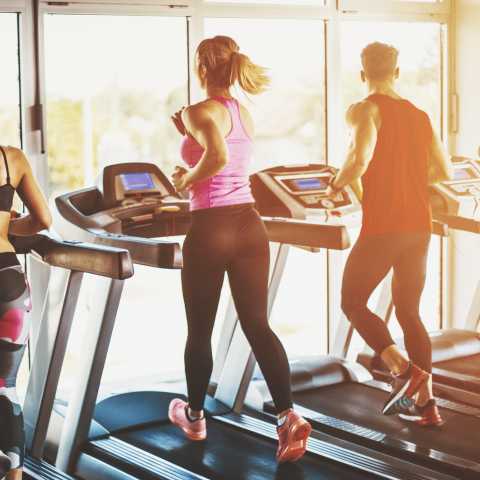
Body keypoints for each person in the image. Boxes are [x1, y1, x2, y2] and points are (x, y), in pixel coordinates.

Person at [168, 35, 311, 463]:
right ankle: (287, 416)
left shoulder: (198, 110)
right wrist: (188, 137)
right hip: (250, 225)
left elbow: (214, 157)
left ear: (200, 66)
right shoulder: (241, 112)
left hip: (211, 226)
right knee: (257, 324)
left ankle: (193, 417)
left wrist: (185, 179)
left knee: (200, 329)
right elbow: (223, 152)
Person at [327, 42, 452, 427]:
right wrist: (408, 181)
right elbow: (442, 170)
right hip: (419, 225)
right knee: (410, 312)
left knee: (352, 301)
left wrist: (335, 184)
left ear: (363, 74)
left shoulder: (367, 108)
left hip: (384, 226)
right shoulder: (419, 115)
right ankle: (428, 407)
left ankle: (402, 369)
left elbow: (360, 159)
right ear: (397, 72)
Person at [0, 146, 52, 479]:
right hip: (8, 280)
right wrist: (7, 229)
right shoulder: (11, 159)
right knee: (5, 387)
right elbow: (43, 220)